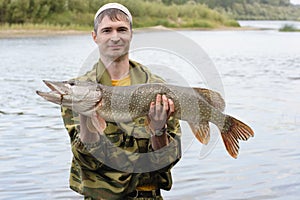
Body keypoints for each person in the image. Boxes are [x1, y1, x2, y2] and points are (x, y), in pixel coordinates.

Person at [61, 3, 181, 200]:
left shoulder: (158, 87)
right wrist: (86, 116)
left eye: (122, 29)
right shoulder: (79, 89)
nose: (115, 36)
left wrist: (159, 130)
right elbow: (86, 160)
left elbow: (168, 161)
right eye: (107, 30)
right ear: (95, 37)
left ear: (131, 34)